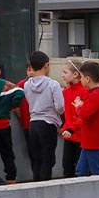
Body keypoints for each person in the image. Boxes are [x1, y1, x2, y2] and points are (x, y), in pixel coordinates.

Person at [23, 52, 64, 182]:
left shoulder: (27, 84)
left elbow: (29, 101)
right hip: (48, 123)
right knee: (48, 158)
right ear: (46, 65)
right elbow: (60, 107)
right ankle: (45, 186)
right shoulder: (53, 84)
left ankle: (36, 184)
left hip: (33, 123)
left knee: (36, 158)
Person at [71, 61, 99, 177]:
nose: (80, 80)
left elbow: (84, 114)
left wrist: (78, 106)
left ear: (87, 79)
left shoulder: (96, 95)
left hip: (94, 140)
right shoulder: (97, 93)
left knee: (98, 170)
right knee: (81, 170)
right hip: (90, 140)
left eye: (81, 77)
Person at [59, 56, 86, 179]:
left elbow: (83, 115)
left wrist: (72, 128)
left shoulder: (84, 91)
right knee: (67, 167)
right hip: (69, 136)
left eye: (65, 72)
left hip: (81, 136)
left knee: (81, 169)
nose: (62, 75)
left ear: (76, 74)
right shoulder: (66, 91)